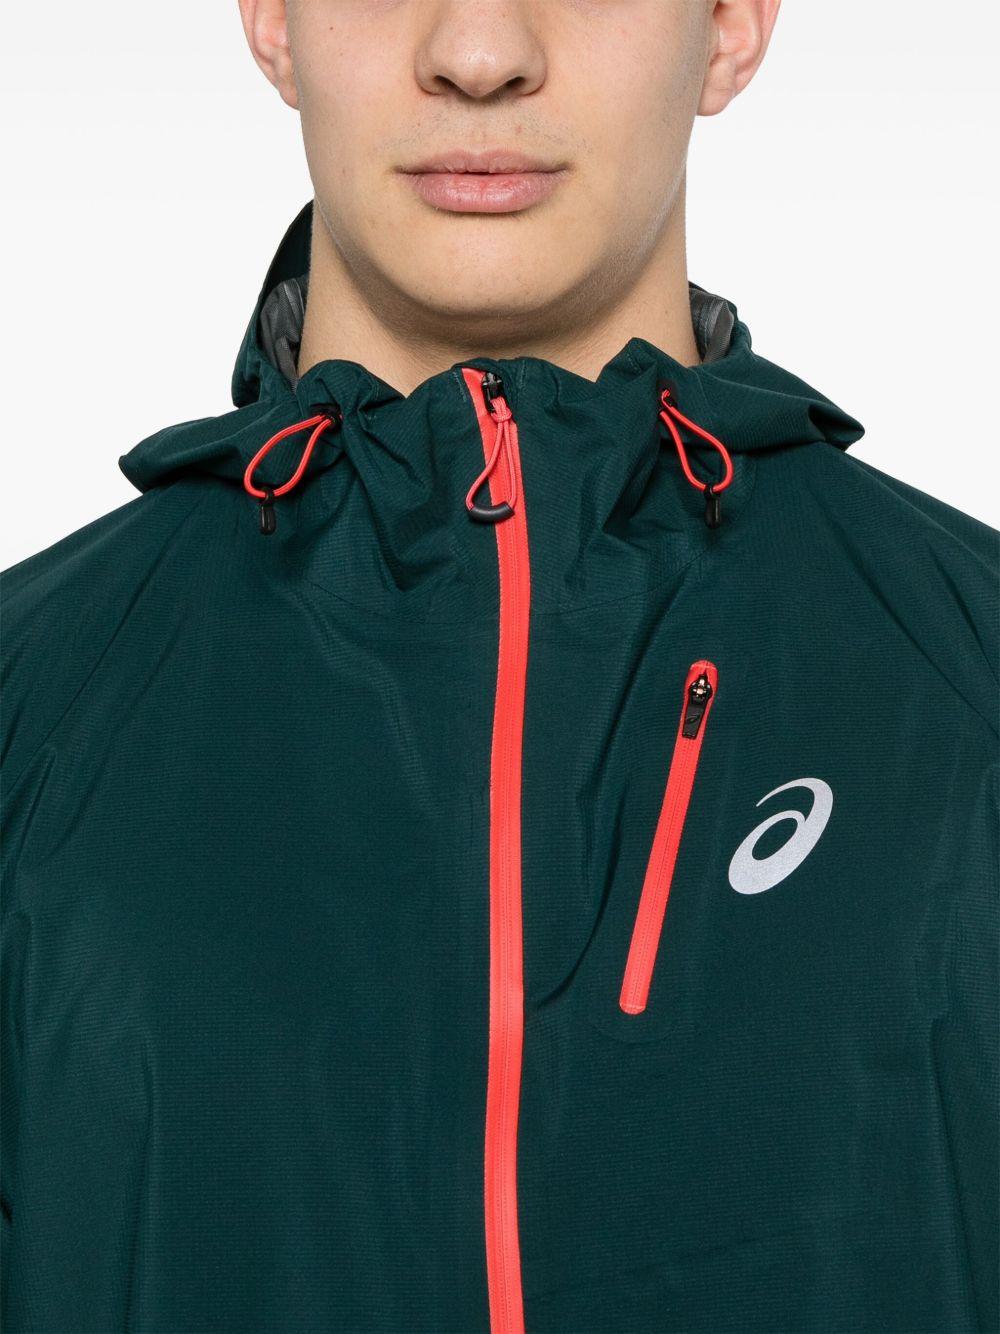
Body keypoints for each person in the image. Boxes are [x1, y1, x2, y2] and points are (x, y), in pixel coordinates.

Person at [2, 1, 997, 1330]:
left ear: (732, 25)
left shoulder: (972, 685)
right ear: (271, 19)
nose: (479, 52)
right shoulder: (30, 710)